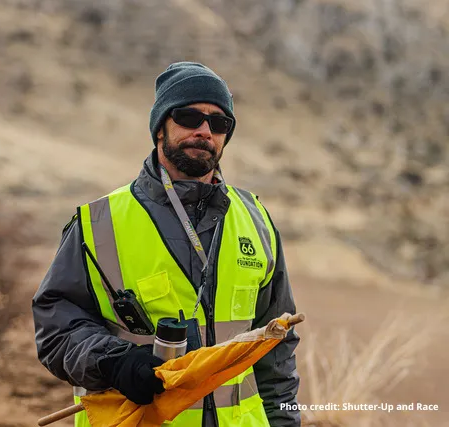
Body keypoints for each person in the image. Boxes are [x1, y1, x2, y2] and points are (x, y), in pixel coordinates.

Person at [33, 62, 301, 427]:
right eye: (189, 117)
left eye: (220, 123)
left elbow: (277, 346)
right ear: (161, 127)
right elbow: (56, 327)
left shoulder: (256, 218)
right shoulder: (98, 223)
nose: (205, 130)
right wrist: (113, 361)